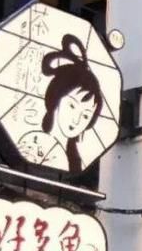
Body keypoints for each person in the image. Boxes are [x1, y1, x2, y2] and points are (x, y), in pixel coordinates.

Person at [17, 34, 103, 173]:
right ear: (56, 97)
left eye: (86, 116)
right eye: (72, 105)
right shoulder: (32, 143)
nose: (77, 120)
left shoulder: (75, 162)